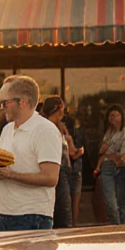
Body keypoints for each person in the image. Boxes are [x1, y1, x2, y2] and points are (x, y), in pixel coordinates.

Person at [0, 76, 62, 232]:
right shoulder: (7, 130)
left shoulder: (45, 130)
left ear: (23, 102)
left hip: (32, 215)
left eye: (5, 102)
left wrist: (10, 175)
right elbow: (4, 168)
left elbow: (51, 178)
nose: (1, 107)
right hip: (2, 213)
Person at [95, 104, 125, 224]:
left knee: (122, 203)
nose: (114, 118)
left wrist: (113, 155)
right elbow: (101, 152)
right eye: (111, 115)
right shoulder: (107, 131)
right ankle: (116, 226)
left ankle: (120, 229)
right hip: (107, 166)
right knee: (111, 203)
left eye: (117, 115)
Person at [39, 97, 75, 229]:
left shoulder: (61, 127)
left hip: (66, 168)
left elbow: (70, 151)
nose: (63, 113)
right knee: (62, 207)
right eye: (62, 109)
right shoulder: (46, 127)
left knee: (65, 205)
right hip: (55, 167)